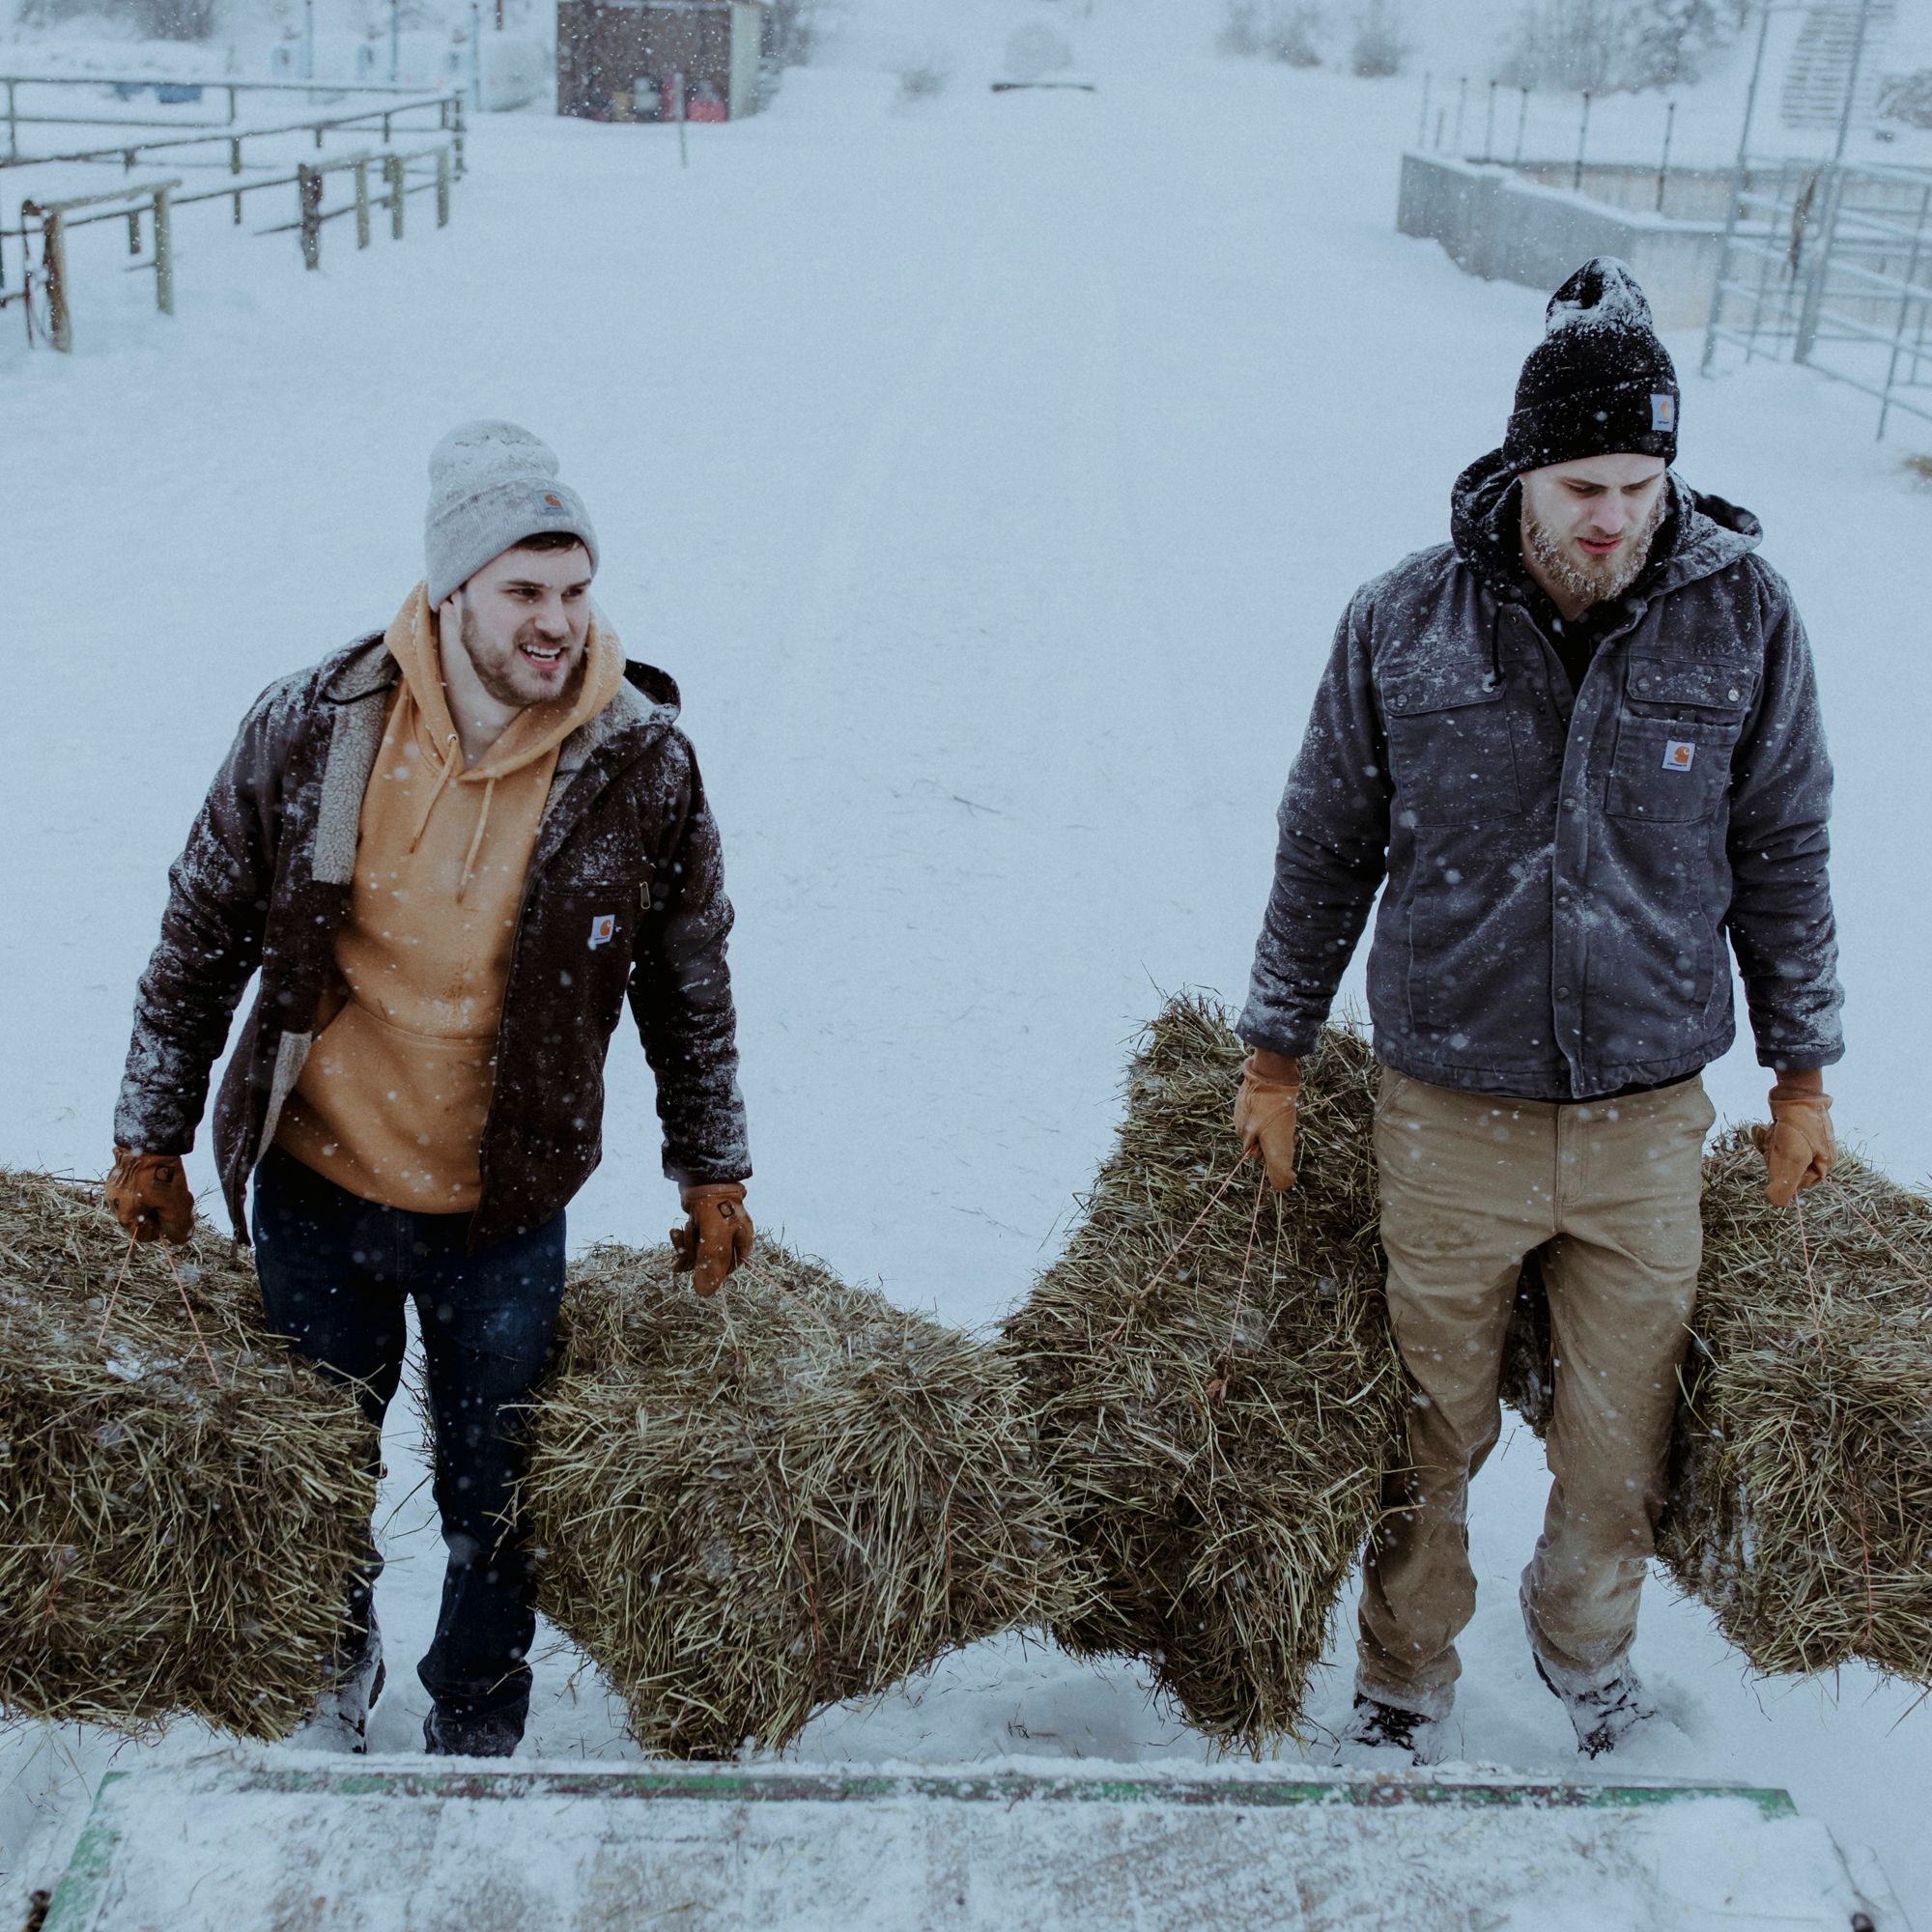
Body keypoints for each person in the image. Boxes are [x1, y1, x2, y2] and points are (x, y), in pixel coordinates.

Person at [1233, 259, 1842, 1763]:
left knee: (1620, 1436)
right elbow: (1326, 842)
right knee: (1426, 1432)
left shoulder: (1744, 620)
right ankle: (1404, 1679)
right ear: (1521, 468)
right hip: (1448, 1107)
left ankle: (1586, 1651)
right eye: (1581, 483)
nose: (1612, 519)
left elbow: (1786, 850)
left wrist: (1803, 1073)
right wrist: (1275, 1052)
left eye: (1641, 483)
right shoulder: (1405, 622)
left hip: (1645, 1118)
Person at [105, 421, 753, 1757]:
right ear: (452, 591)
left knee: (496, 1487)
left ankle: (477, 1717)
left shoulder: (642, 764)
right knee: (314, 1475)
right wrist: (150, 1139)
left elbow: (688, 981)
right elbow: (199, 936)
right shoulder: (315, 726)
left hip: (500, 1203)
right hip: (317, 1180)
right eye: (523, 592)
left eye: (574, 592)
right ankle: (323, 1676)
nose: (556, 624)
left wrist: (715, 1164)